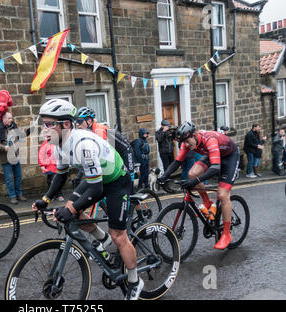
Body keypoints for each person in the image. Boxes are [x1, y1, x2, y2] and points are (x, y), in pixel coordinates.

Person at [32, 98, 144, 300]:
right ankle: (104, 240)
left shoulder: (83, 144)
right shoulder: (59, 143)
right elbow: (61, 175)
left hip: (117, 180)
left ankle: (135, 281)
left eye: (49, 124)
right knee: (72, 209)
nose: (44, 129)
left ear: (66, 124)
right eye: (43, 124)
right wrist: (45, 199)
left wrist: (71, 209)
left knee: (119, 236)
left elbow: (96, 188)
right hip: (97, 178)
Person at [158, 121, 240, 250]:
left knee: (223, 195)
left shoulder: (210, 139)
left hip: (230, 157)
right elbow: (177, 162)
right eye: (183, 142)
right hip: (213, 155)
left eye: (187, 141)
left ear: (194, 135)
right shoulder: (187, 143)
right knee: (192, 174)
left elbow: (215, 168)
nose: (185, 145)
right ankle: (207, 202)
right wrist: (163, 177)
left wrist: (195, 182)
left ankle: (226, 234)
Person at [0, 111, 26, 204]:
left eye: (11, 118)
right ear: (4, 119)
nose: (11, 120)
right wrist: (2, 147)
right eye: (9, 118)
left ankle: (19, 194)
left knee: (18, 176)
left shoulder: (13, 126)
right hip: (5, 157)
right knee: (9, 178)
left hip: (15, 156)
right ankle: (12, 196)